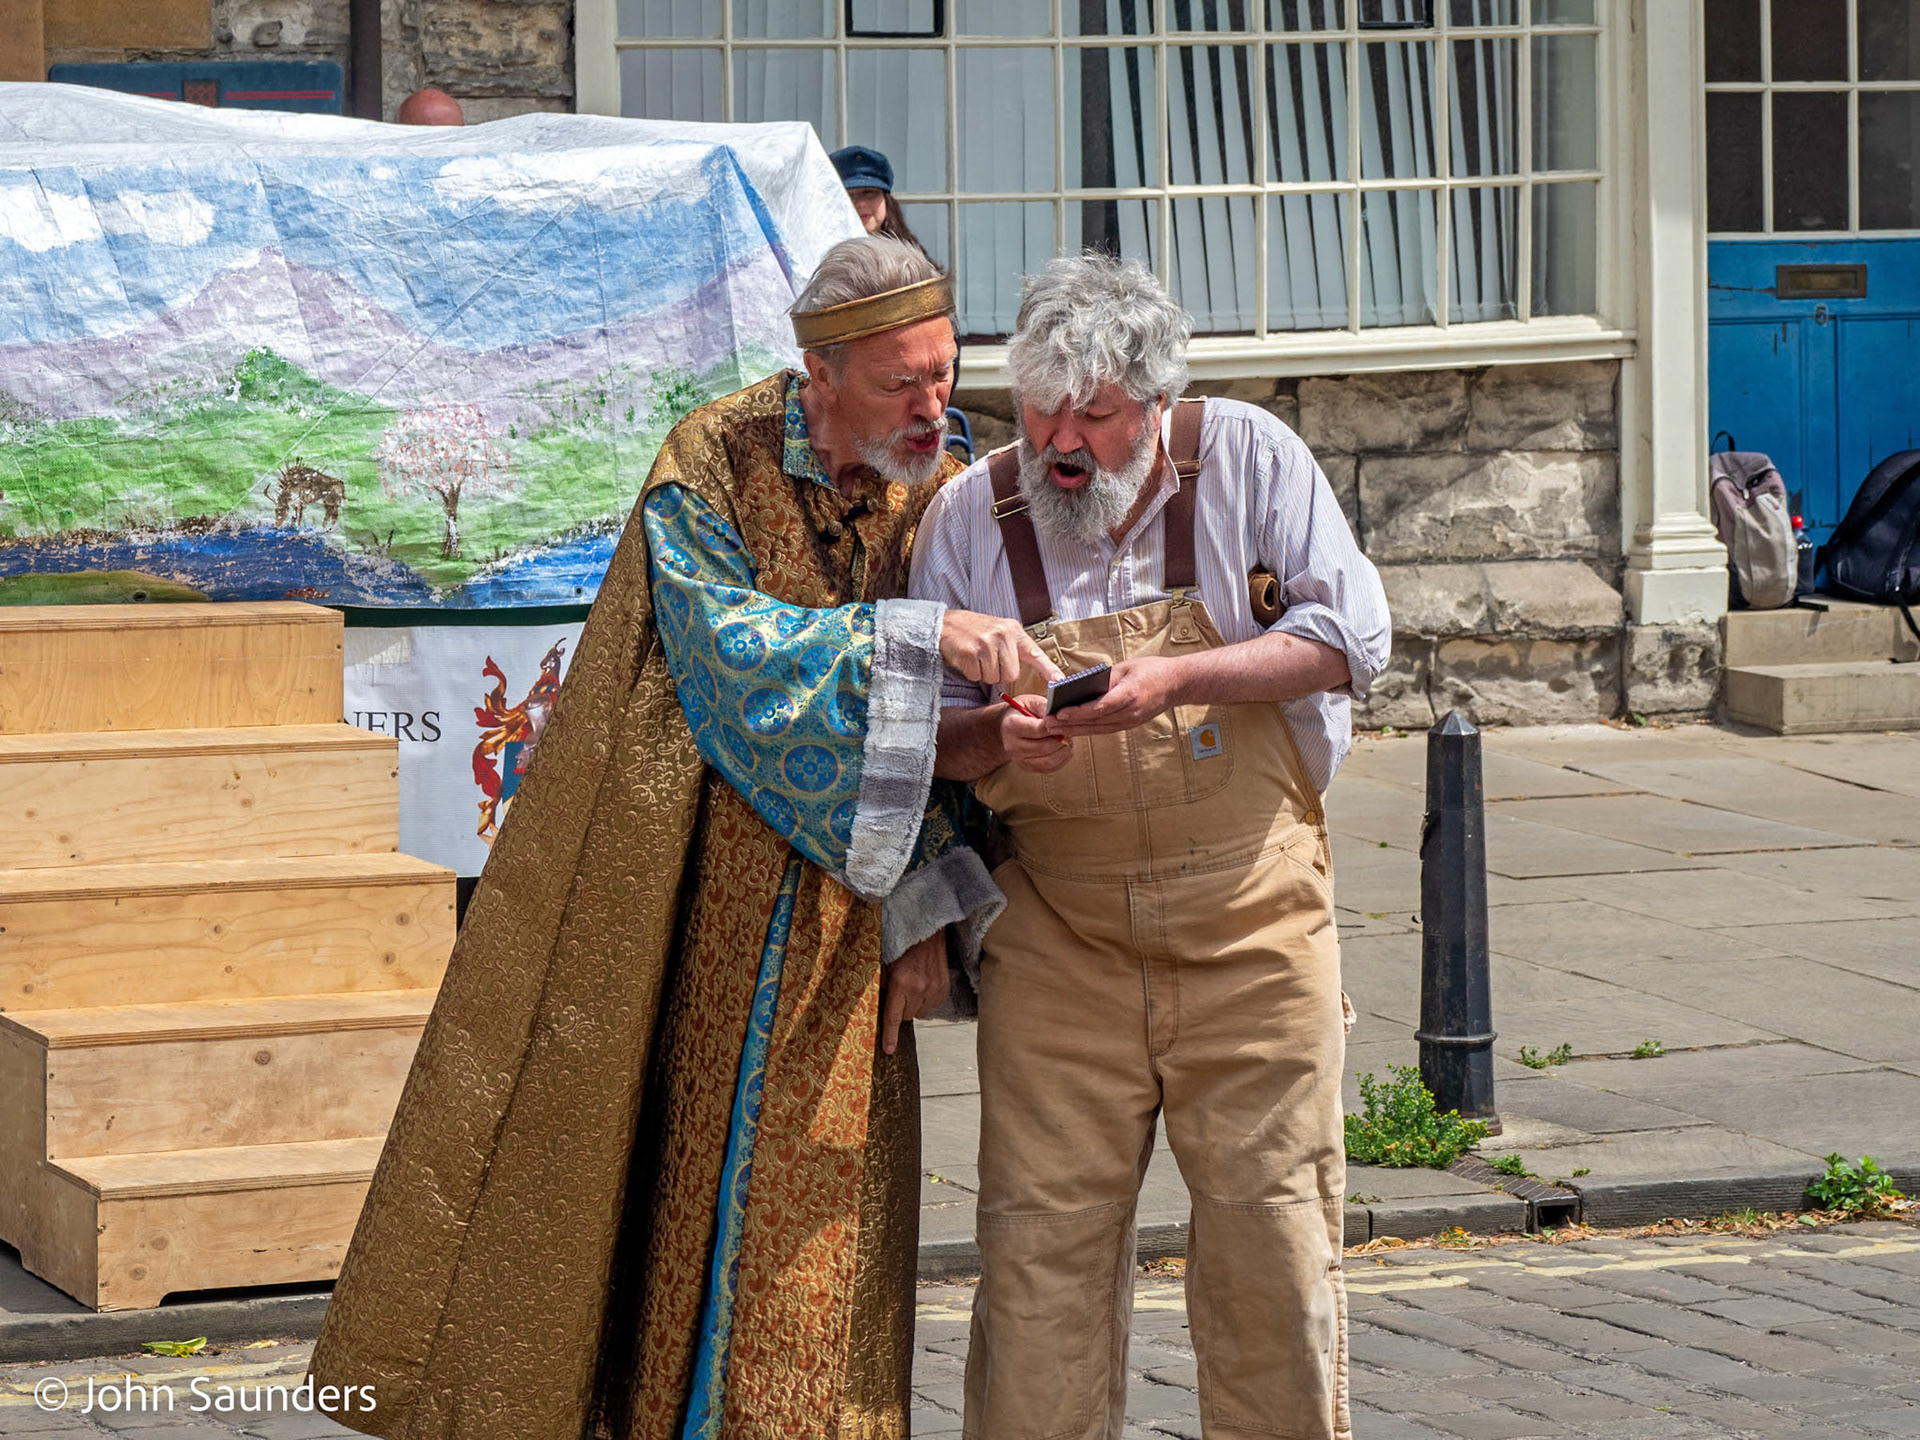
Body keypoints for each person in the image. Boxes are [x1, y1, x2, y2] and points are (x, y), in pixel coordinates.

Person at [307, 234, 1051, 1439]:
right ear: (819, 374)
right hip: (704, 915)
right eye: (900, 382)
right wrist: (924, 638)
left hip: (865, 923)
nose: (935, 405)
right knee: (687, 1214)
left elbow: (955, 723)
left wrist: (931, 905)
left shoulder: (947, 473)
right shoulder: (709, 462)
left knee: (832, 1240)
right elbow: (729, 662)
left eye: (942, 368)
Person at [909, 253, 1392, 1440]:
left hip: (1254, 919)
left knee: (1272, 1248)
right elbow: (918, 740)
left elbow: (1350, 636)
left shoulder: (1250, 458)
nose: (1062, 441)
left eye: (1097, 414)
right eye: (1038, 409)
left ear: (1158, 399)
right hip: (1060, 942)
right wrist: (997, 741)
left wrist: (1179, 677)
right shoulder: (970, 514)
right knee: (1036, 1264)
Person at [830, 144, 926, 254]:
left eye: (869, 193)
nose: (861, 204)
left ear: (886, 200)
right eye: (849, 196)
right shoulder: (817, 256)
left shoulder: (910, 257)